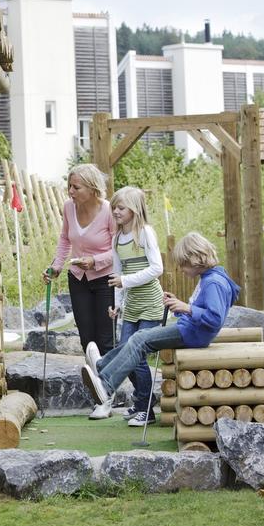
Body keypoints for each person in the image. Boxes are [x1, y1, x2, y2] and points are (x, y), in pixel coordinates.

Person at [82, 232, 240, 419]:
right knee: (139, 338)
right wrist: (179, 305)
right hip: (190, 328)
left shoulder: (214, 282)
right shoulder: (210, 277)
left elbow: (215, 319)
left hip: (193, 333)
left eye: (183, 264)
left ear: (196, 258)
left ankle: (106, 386)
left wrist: (187, 308)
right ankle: (103, 365)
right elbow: (202, 309)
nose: (181, 269)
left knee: (141, 339)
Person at [98, 186, 165, 424]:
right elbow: (117, 275)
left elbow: (157, 269)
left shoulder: (145, 233)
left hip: (150, 304)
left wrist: (125, 280)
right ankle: (142, 402)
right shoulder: (117, 239)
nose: (115, 211)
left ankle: (146, 409)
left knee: (136, 357)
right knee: (128, 353)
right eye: (114, 207)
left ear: (134, 210)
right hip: (132, 306)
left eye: (121, 207)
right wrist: (116, 305)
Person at [43, 164, 117, 360]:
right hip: (78, 279)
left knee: (105, 340)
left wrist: (95, 261)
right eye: (69, 186)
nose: (70, 191)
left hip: (106, 280)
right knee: (87, 339)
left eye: (76, 187)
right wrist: (56, 266)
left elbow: (118, 250)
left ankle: (107, 385)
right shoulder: (68, 207)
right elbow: (65, 238)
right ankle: (94, 383)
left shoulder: (109, 211)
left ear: (92, 188)